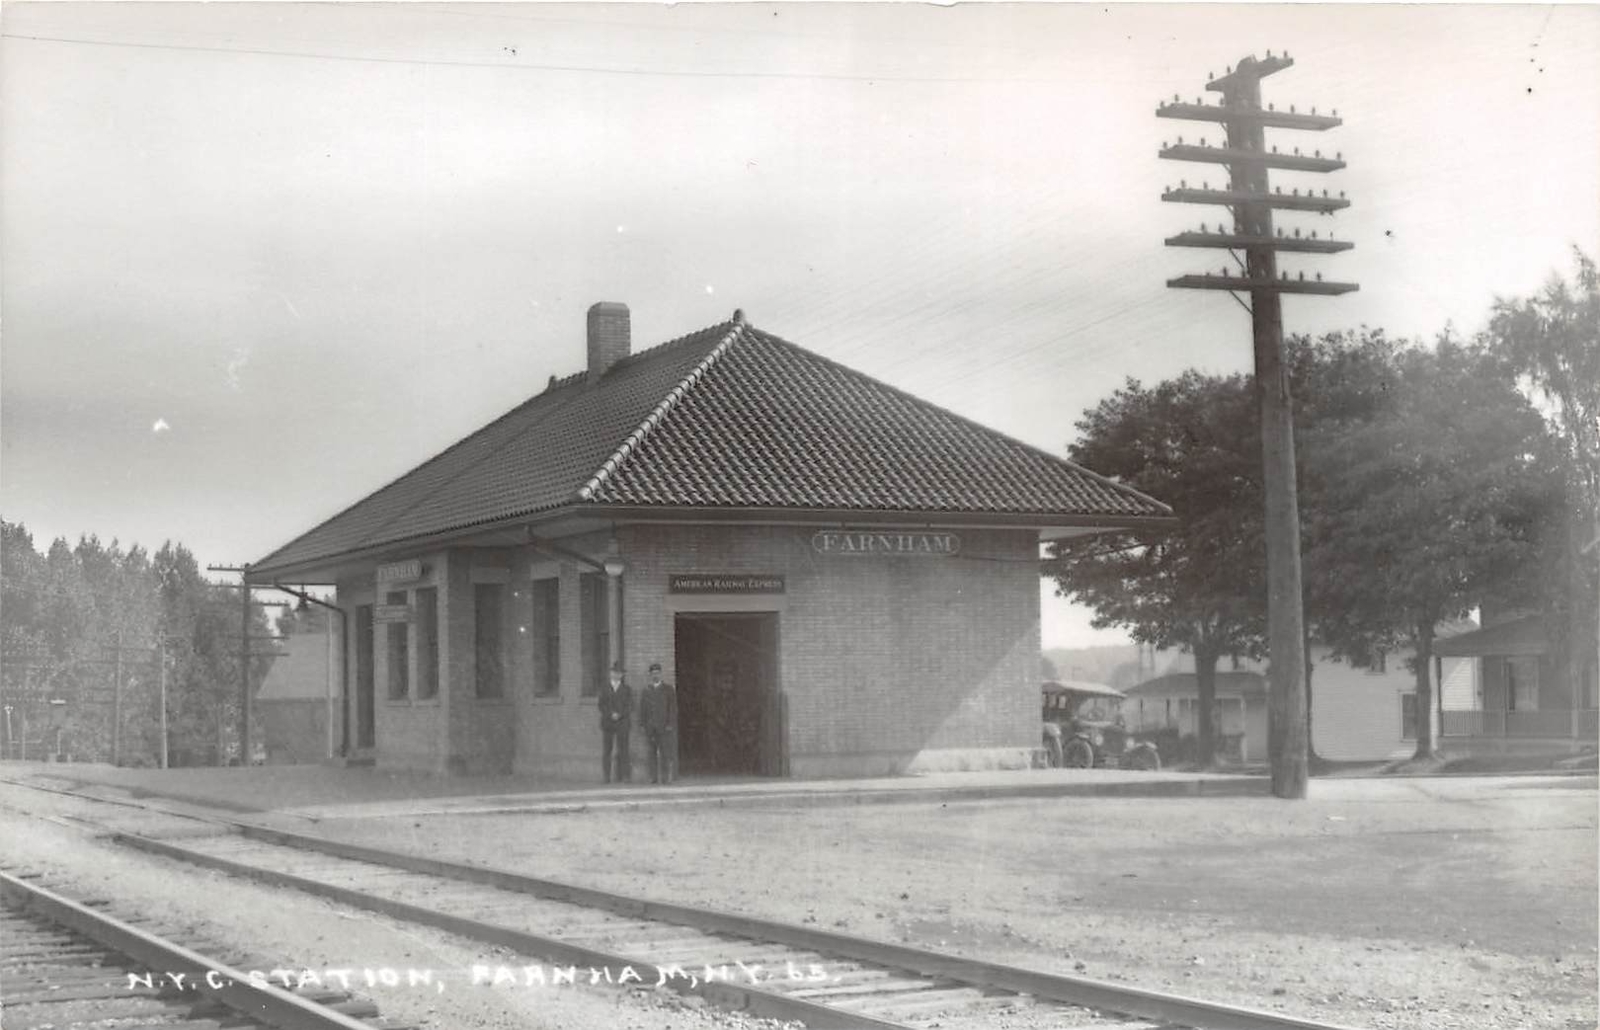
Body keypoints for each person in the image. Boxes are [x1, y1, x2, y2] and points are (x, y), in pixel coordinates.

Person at [638, 661, 678, 784]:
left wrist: (670, 724)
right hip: (650, 727)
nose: (655, 676)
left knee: (665, 753)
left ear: (661, 674)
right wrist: (642, 724)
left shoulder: (668, 689)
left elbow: (672, 708)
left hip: (664, 727)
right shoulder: (646, 690)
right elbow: (642, 709)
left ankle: (665, 777)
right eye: (653, 673)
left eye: (657, 673)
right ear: (650, 675)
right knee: (651, 753)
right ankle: (653, 777)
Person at [598, 660, 632, 783]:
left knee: (624, 750)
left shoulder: (627, 689)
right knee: (607, 750)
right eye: (614, 672)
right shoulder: (604, 688)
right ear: (610, 673)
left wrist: (620, 714)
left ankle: (625, 776)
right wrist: (610, 714)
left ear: (622, 675)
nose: (617, 675)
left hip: (622, 723)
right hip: (608, 723)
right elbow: (601, 705)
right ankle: (606, 776)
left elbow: (629, 706)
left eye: (619, 673)